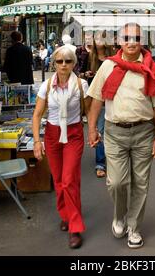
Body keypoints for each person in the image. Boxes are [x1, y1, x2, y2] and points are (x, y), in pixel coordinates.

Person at [87, 23, 155, 249]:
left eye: (135, 37)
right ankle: (119, 216)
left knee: (141, 183)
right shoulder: (108, 66)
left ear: (141, 40)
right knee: (116, 182)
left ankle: (134, 226)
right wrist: (92, 128)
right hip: (114, 132)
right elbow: (96, 99)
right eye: (127, 37)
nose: (131, 41)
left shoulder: (150, 67)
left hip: (144, 132)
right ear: (119, 41)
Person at [33, 46, 90, 249]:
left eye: (68, 61)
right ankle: (65, 214)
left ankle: (75, 226)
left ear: (74, 63)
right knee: (58, 180)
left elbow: (90, 111)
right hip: (52, 134)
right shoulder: (47, 86)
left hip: (73, 134)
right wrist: (37, 142)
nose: (64, 65)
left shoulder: (81, 85)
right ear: (54, 63)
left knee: (68, 180)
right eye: (59, 61)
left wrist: (93, 131)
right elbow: (38, 115)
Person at [84, 30, 114, 178]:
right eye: (96, 38)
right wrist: (87, 74)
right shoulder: (90, 57)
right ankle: (100, 163)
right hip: (97, 99)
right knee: (100, 129)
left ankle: (114, 159)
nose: (99, 41)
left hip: (112, 97)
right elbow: (81, 74)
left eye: (102, 38)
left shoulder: (114, 58)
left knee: (113, 130)